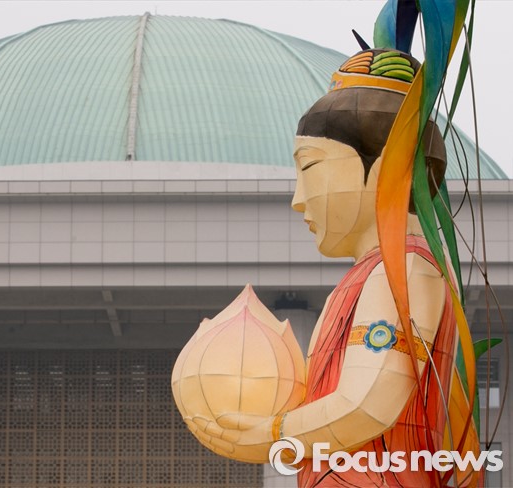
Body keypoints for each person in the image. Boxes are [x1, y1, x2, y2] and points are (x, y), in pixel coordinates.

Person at [191, 49, 480, 487]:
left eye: (310, 167)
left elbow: (368, 403)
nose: (298, 199)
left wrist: (270, 434)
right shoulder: (373, 275)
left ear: (387, 170)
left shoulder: (403, 269)